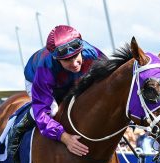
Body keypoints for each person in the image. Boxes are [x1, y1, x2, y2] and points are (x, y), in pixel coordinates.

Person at [8, 25, 105, 156]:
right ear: (57, 58)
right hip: (36, 79)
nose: (75, 63)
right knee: (53, 109)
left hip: (69, 79)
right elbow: (42, 111)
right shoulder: (45, 68)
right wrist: (65, 138)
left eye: (76, 56)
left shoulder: (93, 53)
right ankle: (20, 127)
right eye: (67, 60)